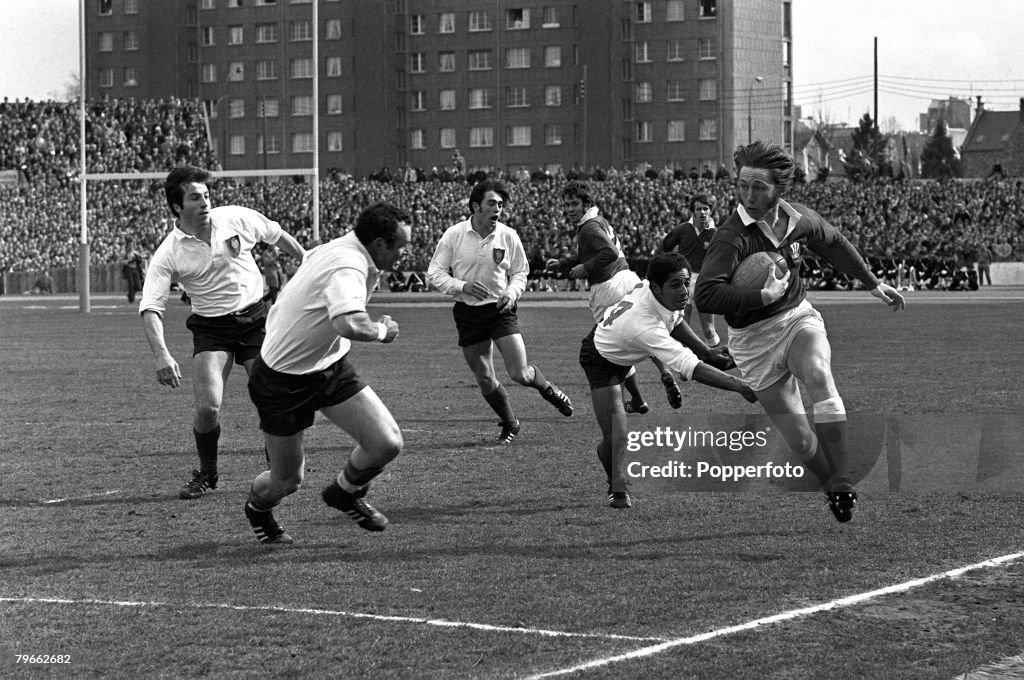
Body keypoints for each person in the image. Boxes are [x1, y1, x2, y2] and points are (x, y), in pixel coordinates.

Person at [694, 141, 905, 523]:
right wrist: (759, 294)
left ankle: (842, 478)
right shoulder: (731, 236)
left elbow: (834, 243)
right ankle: (831, 485)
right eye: (743, 185)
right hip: (752, 342)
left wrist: (872, 283)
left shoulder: (799, 219)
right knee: (800, 440)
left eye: (758, 187)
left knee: (819, 375)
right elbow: (705, 294)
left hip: (795, 319)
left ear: (779, 189)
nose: (748, 195)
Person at [243, 203, 411, 544]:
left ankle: (343, 493)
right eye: (401, 246)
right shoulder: (347, 263)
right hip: (282, 381)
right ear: (379, 243)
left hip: (329, 367)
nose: (404, 254)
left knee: (386, 443)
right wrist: (382, 331)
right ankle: (257, 509)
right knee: (286, 481)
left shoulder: (343, 249)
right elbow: (346, 322)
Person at [139, 165, 306, 500]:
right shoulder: (168, 252)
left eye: (206, 195)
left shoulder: (235, 218)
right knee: (207, 409)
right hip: (212, 329)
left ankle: (277, 464)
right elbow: (151, 308)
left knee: (272, 396)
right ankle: (208, 472)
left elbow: (276, 235)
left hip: (257, 320)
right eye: (195, 197)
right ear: (177, 207)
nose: (205, 202)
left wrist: (307, 261)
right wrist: (161, 353)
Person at [580, 252, 757, 509]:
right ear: (656, 287)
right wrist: (740, 386)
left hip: (623, 343)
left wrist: (708, 352)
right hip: (600, 359)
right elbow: (691, 368)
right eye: (676, 285)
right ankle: (615, 483)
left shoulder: (658, 295)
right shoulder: (644, 324)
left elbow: (676, 322)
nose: (685, 291)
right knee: (617, 437)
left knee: (708, 355)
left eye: (687, 283)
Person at [427, 178, 574, 445]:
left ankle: (546, 388)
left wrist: (511, 292)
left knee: (520, 373)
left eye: (501, 205)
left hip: (500, 311)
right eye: (492, 203)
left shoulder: (508, 235)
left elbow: (520, 272)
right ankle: (510, 422)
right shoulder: (454, 234)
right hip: (468, 313)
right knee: (484, 378)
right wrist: (462, 286)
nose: (498, 209)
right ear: (475, 207)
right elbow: (434, 273)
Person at [547, 180, 685, 414]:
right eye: (567, 205)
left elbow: (607, 253)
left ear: (586, 204)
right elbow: (593, 252)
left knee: (611, 347)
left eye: (574, 204)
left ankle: (638, 399)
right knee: (646, 329)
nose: (570, 209)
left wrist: (585, 268)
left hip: (608, 288)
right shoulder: (597, 221)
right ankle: (665, 373)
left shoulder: (589, 227)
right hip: (629, 279)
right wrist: (564, 263)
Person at [662, 192, 722, 346]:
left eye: (706, 209)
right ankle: (685, 368)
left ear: (711, 211)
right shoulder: (683, 229)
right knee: (683, 329)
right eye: (698, 209)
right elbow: (664, 247)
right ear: (693, 212)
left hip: (704, 283)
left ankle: (716, 362)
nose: (702, 212)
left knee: (708, 330)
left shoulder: (716, 234)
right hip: (684, 282)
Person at [122, 239, 146, 304]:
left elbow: (141, 259)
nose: (131, 246)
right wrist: (129, 261)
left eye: (132, 245)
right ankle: (131, 299)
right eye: (130, 245)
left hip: (135, 269)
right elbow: (122, 261)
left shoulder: (136, 253)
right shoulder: (125, 253)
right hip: (129, 269)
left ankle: (131, 294)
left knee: (138, 285)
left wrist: (139, 259)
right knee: (131, 284)